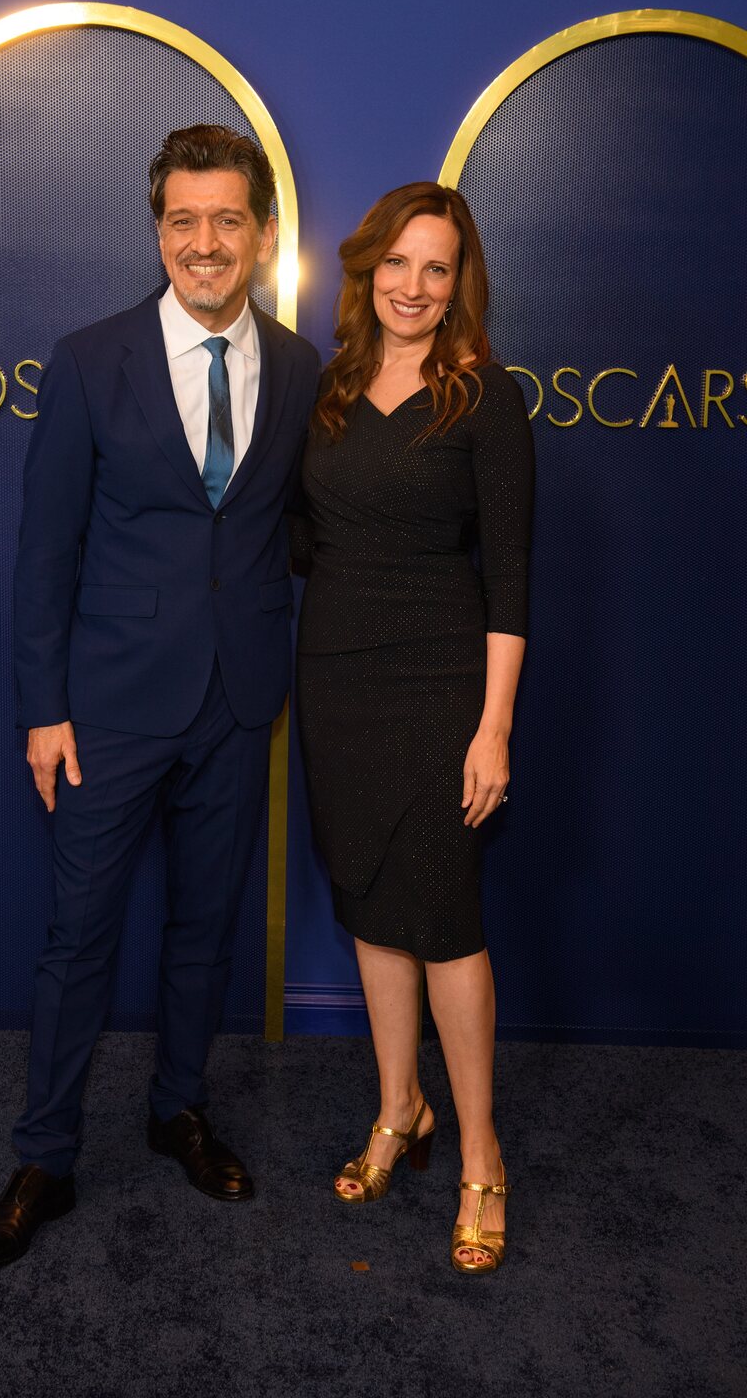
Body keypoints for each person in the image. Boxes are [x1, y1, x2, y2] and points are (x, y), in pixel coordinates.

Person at [0, 125, 319, 1270]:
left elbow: (287, 528)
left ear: (260, 234)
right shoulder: (86, 359)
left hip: (237, 697)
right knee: (79, 940)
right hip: (106, 707)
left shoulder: (303, 368)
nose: (203, 244)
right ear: (157, 229)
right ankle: (46, 1159)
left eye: (226, 221)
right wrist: (42, 709)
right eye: (181, 221)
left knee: (204, 930)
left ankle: (177, 1110)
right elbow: (43, 553)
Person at [296, 182, 533, 1272]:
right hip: (335, 681)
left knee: (444, 916)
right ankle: (401, 1108)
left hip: (441, 684)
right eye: (397, 263)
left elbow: (514, 584)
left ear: (459, 284)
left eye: (437, 269)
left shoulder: (485, 398)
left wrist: (492, 729)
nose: (413, 286)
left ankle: (480, 1146)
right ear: (367, 269)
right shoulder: (333, 386)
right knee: (369, 905)